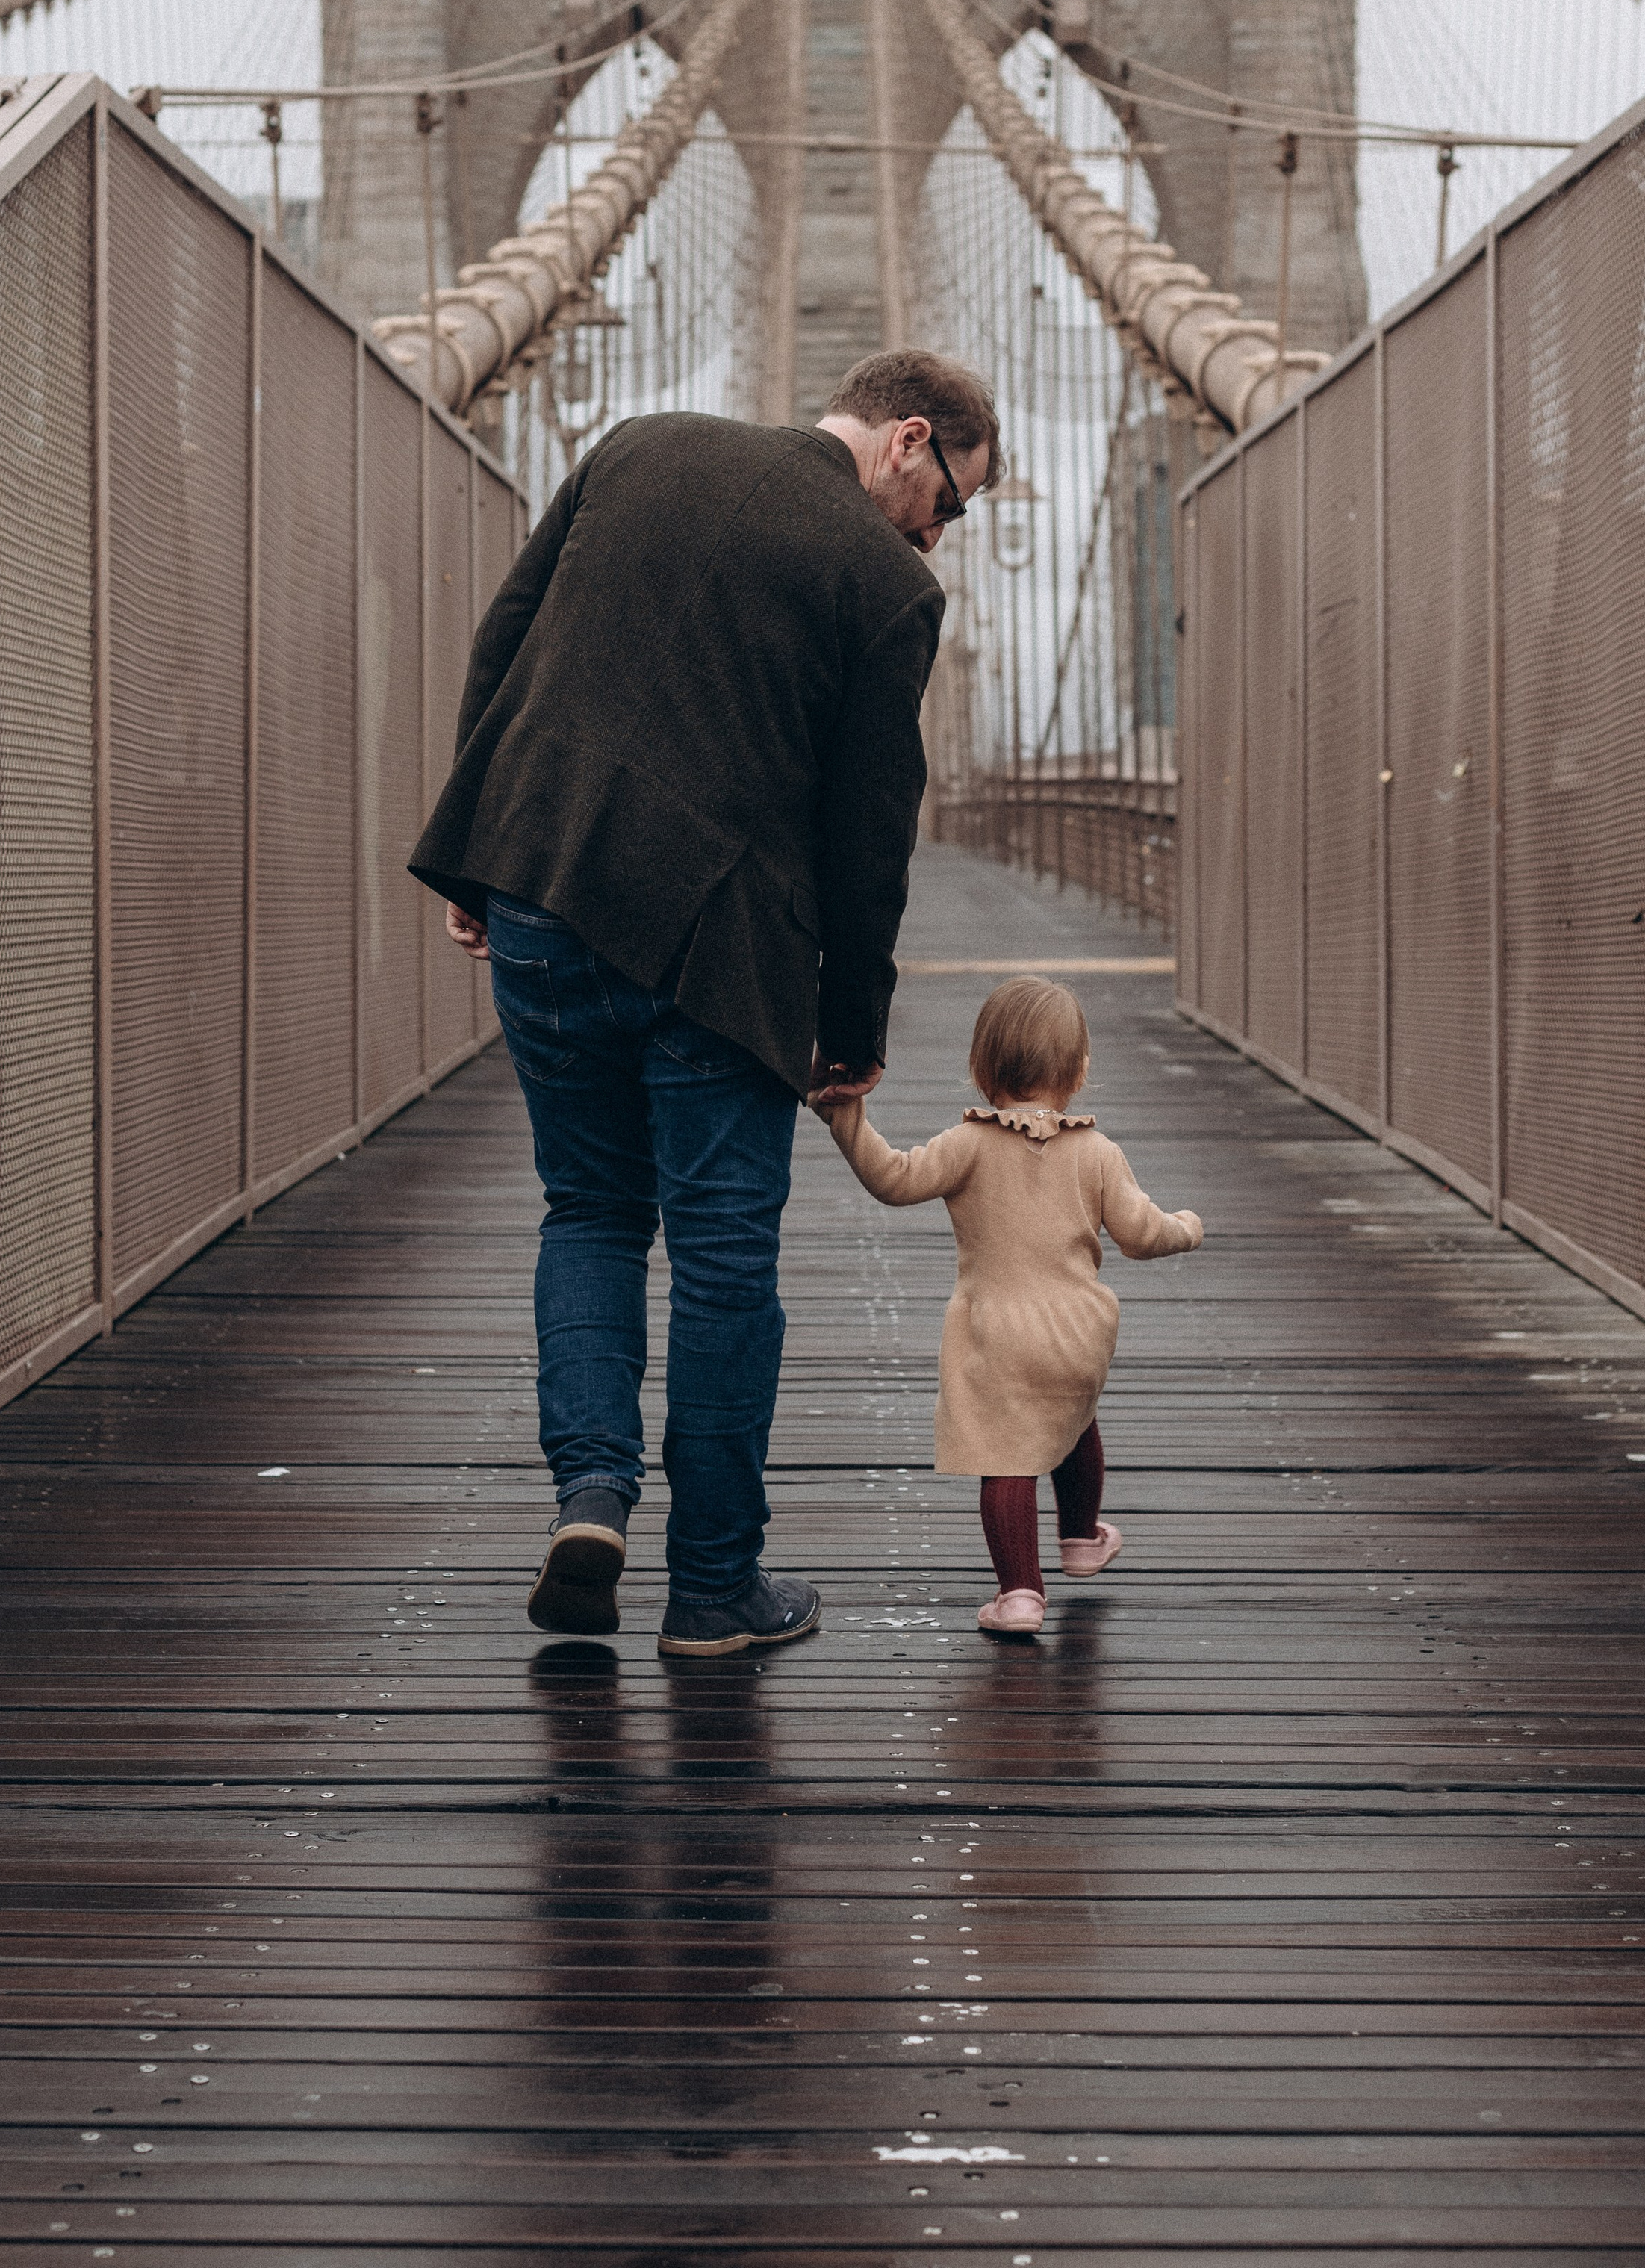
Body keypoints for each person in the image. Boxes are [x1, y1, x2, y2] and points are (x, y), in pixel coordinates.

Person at [411, 352, 1001, 1656]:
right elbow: (866, 839)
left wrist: (477, 851)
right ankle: (712, 1592)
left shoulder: (638, 445)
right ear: (912, 441)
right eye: (953, 501)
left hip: (544, 890)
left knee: (592, 1211)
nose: (942, 534)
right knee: (726, 1258)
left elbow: (506, 642)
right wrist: (851, 1032)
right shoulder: (889, 586)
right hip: (719, 951)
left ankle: (592, 1493)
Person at [818, 974, 1202, 1638]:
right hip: (1079, 1333)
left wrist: (846, 1114)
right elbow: (1142, 1235)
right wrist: (1186, 1226)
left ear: (981, 1068)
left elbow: (893, 1178)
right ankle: (1081, 1539)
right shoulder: (1098, 1152)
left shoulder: (968, 1145)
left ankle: (1020, 1594)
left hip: (999, 1332)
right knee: (1075, 1417)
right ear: (1079, 1071)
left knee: (1009, 1455)